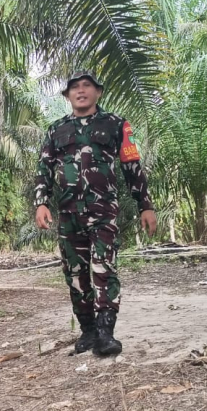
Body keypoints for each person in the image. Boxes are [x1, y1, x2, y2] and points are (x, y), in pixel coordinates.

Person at [35, 70, 157, 356]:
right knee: (75, 273)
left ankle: (106, 332)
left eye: (87, 86)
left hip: (104, 211)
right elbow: (43, 169)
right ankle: (88, 331)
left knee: (104, 266)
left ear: (98, 92)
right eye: (75, 88)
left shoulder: (116, 124)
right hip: (68, 214)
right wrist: (41, 202)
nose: (81, 91)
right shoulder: (56, 130)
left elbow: (132, 166)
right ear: (67, 96)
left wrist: (145, 206)